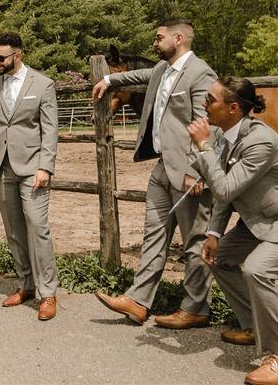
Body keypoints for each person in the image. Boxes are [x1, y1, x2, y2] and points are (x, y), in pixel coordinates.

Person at [188, 77, 278, 385]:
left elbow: (223, 189)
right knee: (219, 258)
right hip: (258, 221)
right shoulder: (225, 137)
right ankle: (254, 326)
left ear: (234, 108)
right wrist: (214, 233)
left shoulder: (259, 141)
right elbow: (227, 191)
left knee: (256, 270)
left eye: (210, 100)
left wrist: (203, 146)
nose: (203, 104)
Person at [91, 19, 217, 328]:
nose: (154, 43)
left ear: (178, 38)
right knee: (154, 234)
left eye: (159, 38)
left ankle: (197, 308)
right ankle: (138, 300)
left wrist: (197, 170)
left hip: (189, 171)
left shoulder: (201, 73)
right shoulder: (163, 70)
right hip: (163, 166)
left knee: (194, 240)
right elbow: (141, 73)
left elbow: (207, 126)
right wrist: (109, 80)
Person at [0, 32, 59, 320]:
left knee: (37, 228)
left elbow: (50, 130)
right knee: (13, 231)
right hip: (2, 167)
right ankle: (25, 285)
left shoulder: (42, 84)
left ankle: (48, 294)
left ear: (17, 55)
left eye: (0, 57)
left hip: (33, 167)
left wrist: (45, 167)